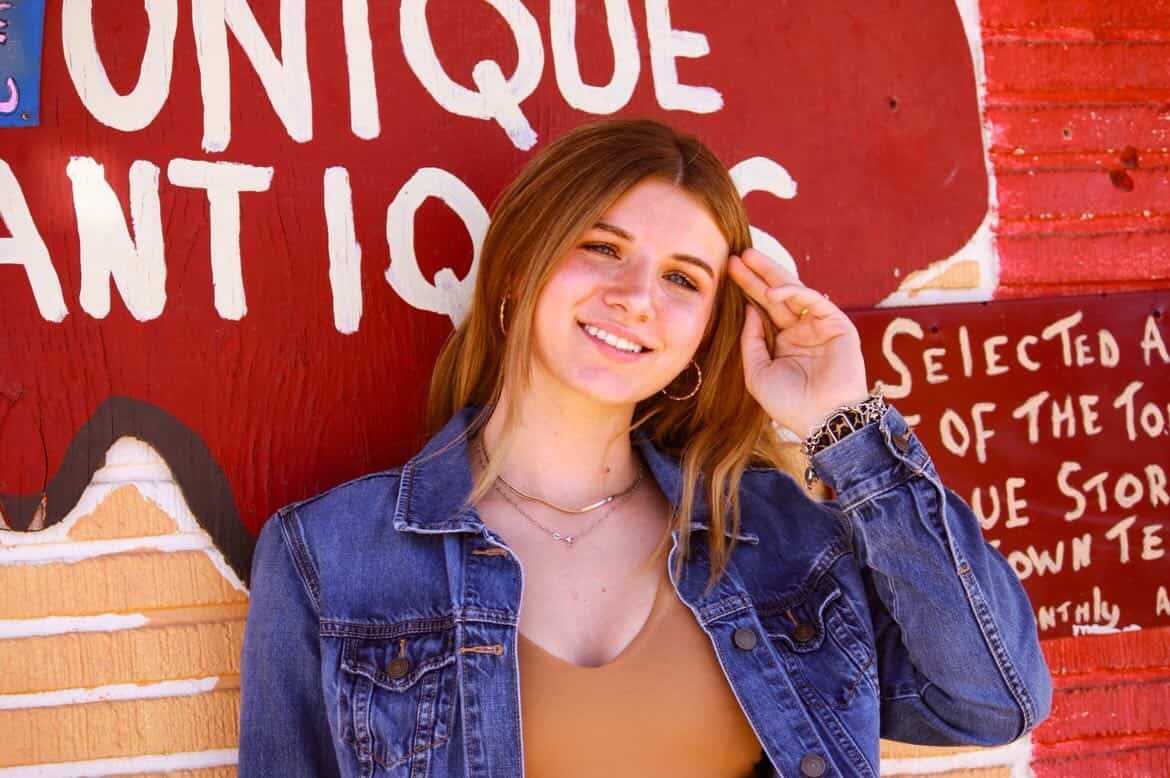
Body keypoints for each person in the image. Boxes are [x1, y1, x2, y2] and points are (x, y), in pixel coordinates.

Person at [238, 118, 1052, 777]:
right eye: (602, 247)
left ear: (704, 336)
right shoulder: (332, 555)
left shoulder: (776, 538)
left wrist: (844, 423)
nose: (634, 300)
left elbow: (989, 700)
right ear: (518, 266)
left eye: (683, 280)